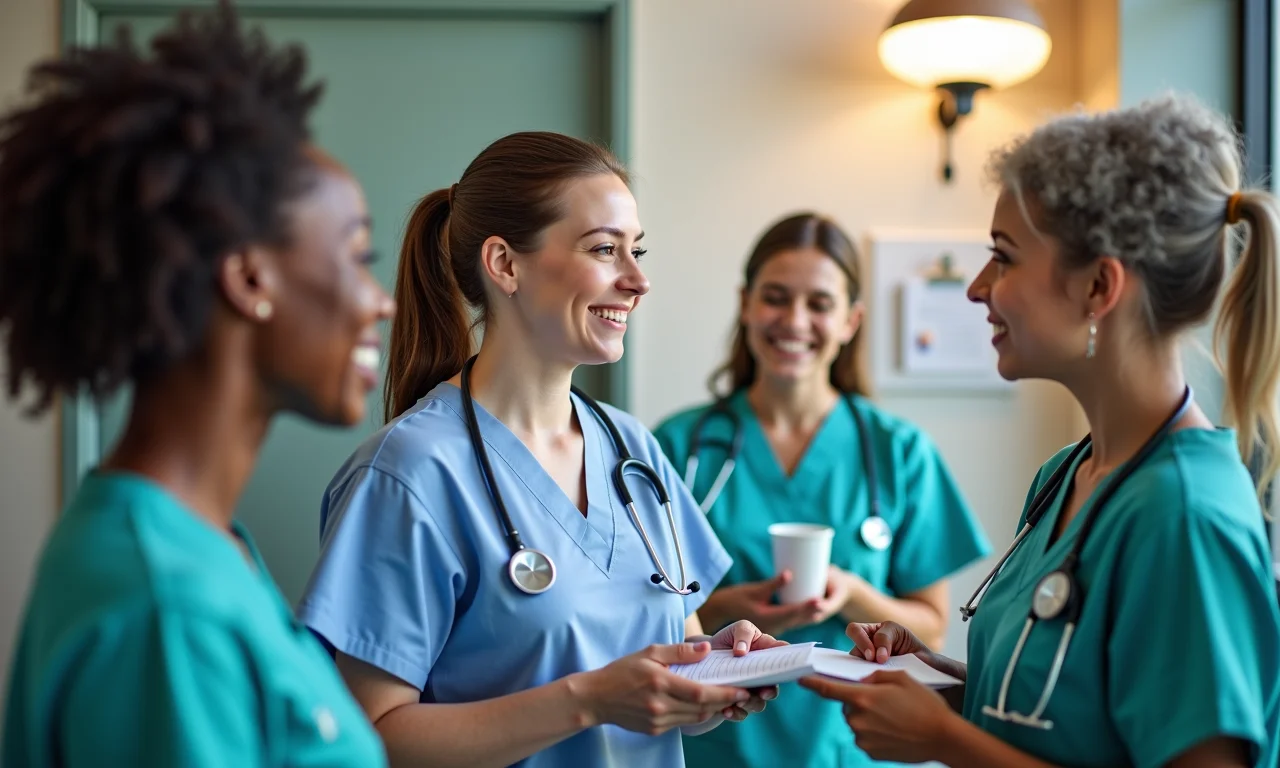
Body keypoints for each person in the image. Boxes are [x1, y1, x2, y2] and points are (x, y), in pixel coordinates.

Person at [802, 93, 1280, 768]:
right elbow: (1065, 718)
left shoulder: (1184, 515)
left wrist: (946, 743)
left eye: (1003, 257)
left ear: (1097, 289)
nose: (975, 288)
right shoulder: (1068, 474)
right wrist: (941, 687)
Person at [294, 130, 780, 768]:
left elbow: (672, 668)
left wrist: (717, 669)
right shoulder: (411, 472)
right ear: (504, 264)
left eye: (636, 251)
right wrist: (589, 701)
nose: (638, 280)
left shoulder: (632, 451)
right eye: (605, 249)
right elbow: (371, 739)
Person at [0, 3, 395, 766]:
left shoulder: (196, 548)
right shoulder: (168, 610)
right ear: (251, 278)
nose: (380, 300)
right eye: (356, 255)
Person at [652, 212, 991, 767]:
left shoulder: (898, 451)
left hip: (852, 745)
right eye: (776, 298)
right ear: (745, 304)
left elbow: (931, 619)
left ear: (851, 320)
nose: (794, 320)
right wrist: (730, 609)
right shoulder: (679, 445)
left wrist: (854, 594)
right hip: (718, 743)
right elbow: (648, 614)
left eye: (819, 304)